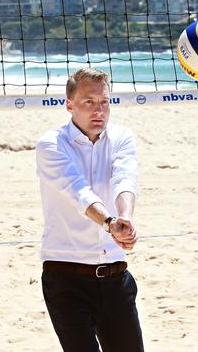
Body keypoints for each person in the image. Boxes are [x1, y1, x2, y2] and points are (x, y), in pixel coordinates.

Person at [36, 68, 144, 352]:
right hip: (66, 277)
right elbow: (78, 191)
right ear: (69, 104)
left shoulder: (122, 137)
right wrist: (110, 223)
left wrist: (126, 219)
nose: (99, 110)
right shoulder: (51, 144)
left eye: (104, 102)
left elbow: (124, 179)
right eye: (89, 102)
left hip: (115, 276)